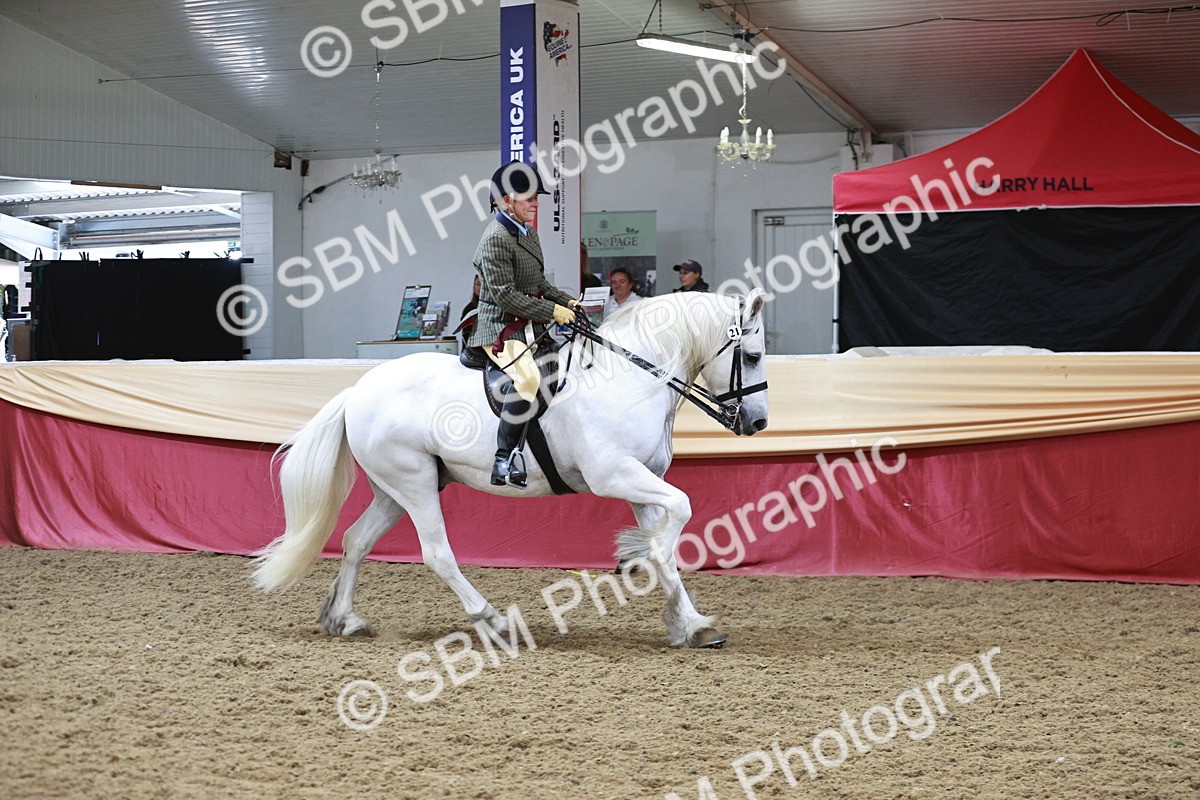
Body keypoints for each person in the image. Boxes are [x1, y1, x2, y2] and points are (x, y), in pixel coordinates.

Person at [463, 160, 581, 488]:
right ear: (505, 201)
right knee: (528, 380)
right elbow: (506, 297)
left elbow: (539, 284)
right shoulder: (495, 239)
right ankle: (504, 457)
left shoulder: (528, 233)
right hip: (498, 326)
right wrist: (552, 312)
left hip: (525, 324)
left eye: (536, 197)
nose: (536, 202)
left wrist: (567, 301)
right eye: (528, 197)